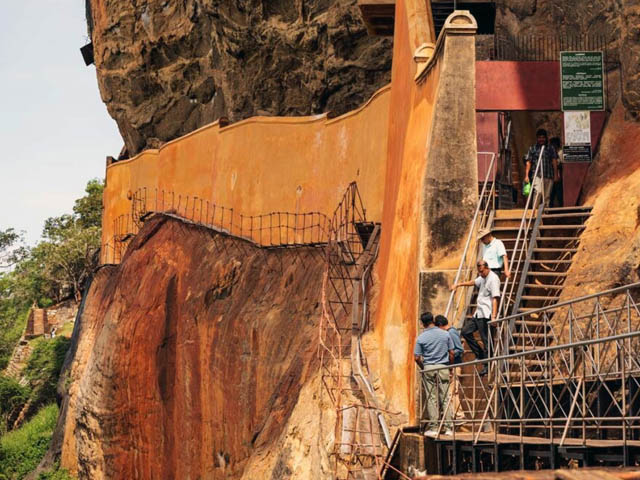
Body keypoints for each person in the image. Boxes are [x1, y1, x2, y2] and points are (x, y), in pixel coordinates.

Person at [450, 260, 501, 375]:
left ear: (487, 268)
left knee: (486, 341)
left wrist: (493, 316)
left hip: (487, 314)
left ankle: (487, 366)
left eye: (482, 271)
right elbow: (474, 282)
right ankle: (481, 355)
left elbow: (495, 298)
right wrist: (459, 284)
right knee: (465, 331)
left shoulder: (493, 279)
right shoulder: (482, 277)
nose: (481, 274)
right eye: (479, 272)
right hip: (478, 313)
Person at [414, 312, 454, 436]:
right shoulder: (445, 334)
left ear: (423, 323)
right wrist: (450, 368)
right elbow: (452, 352)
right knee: (445, 397)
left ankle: (434, 427)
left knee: (431, 398)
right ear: (433, 320)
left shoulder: (421, 338)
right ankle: (448, 428)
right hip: (443, 367)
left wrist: (424, 367)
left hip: (429, 368)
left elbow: (416, 357)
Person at [524, 128, 559, 208]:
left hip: (548, 175)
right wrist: (526, 175)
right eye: (540, 137)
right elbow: (528, 162)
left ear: (546, 138)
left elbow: (554, 161)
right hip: (537, 175)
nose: (541, 139)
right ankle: (535, 212)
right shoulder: (533, 148)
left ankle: (545, 213)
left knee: (547, 195)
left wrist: (556, 175)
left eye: (543, 137)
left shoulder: (550, 148)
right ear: (537, 138)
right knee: (538, 192)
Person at [549, 136, 564, 208]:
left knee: (558, 193)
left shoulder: (560, 153)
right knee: (552, 193)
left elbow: (561, 164)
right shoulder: (553, 153)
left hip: (558, 175)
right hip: (553, 176)